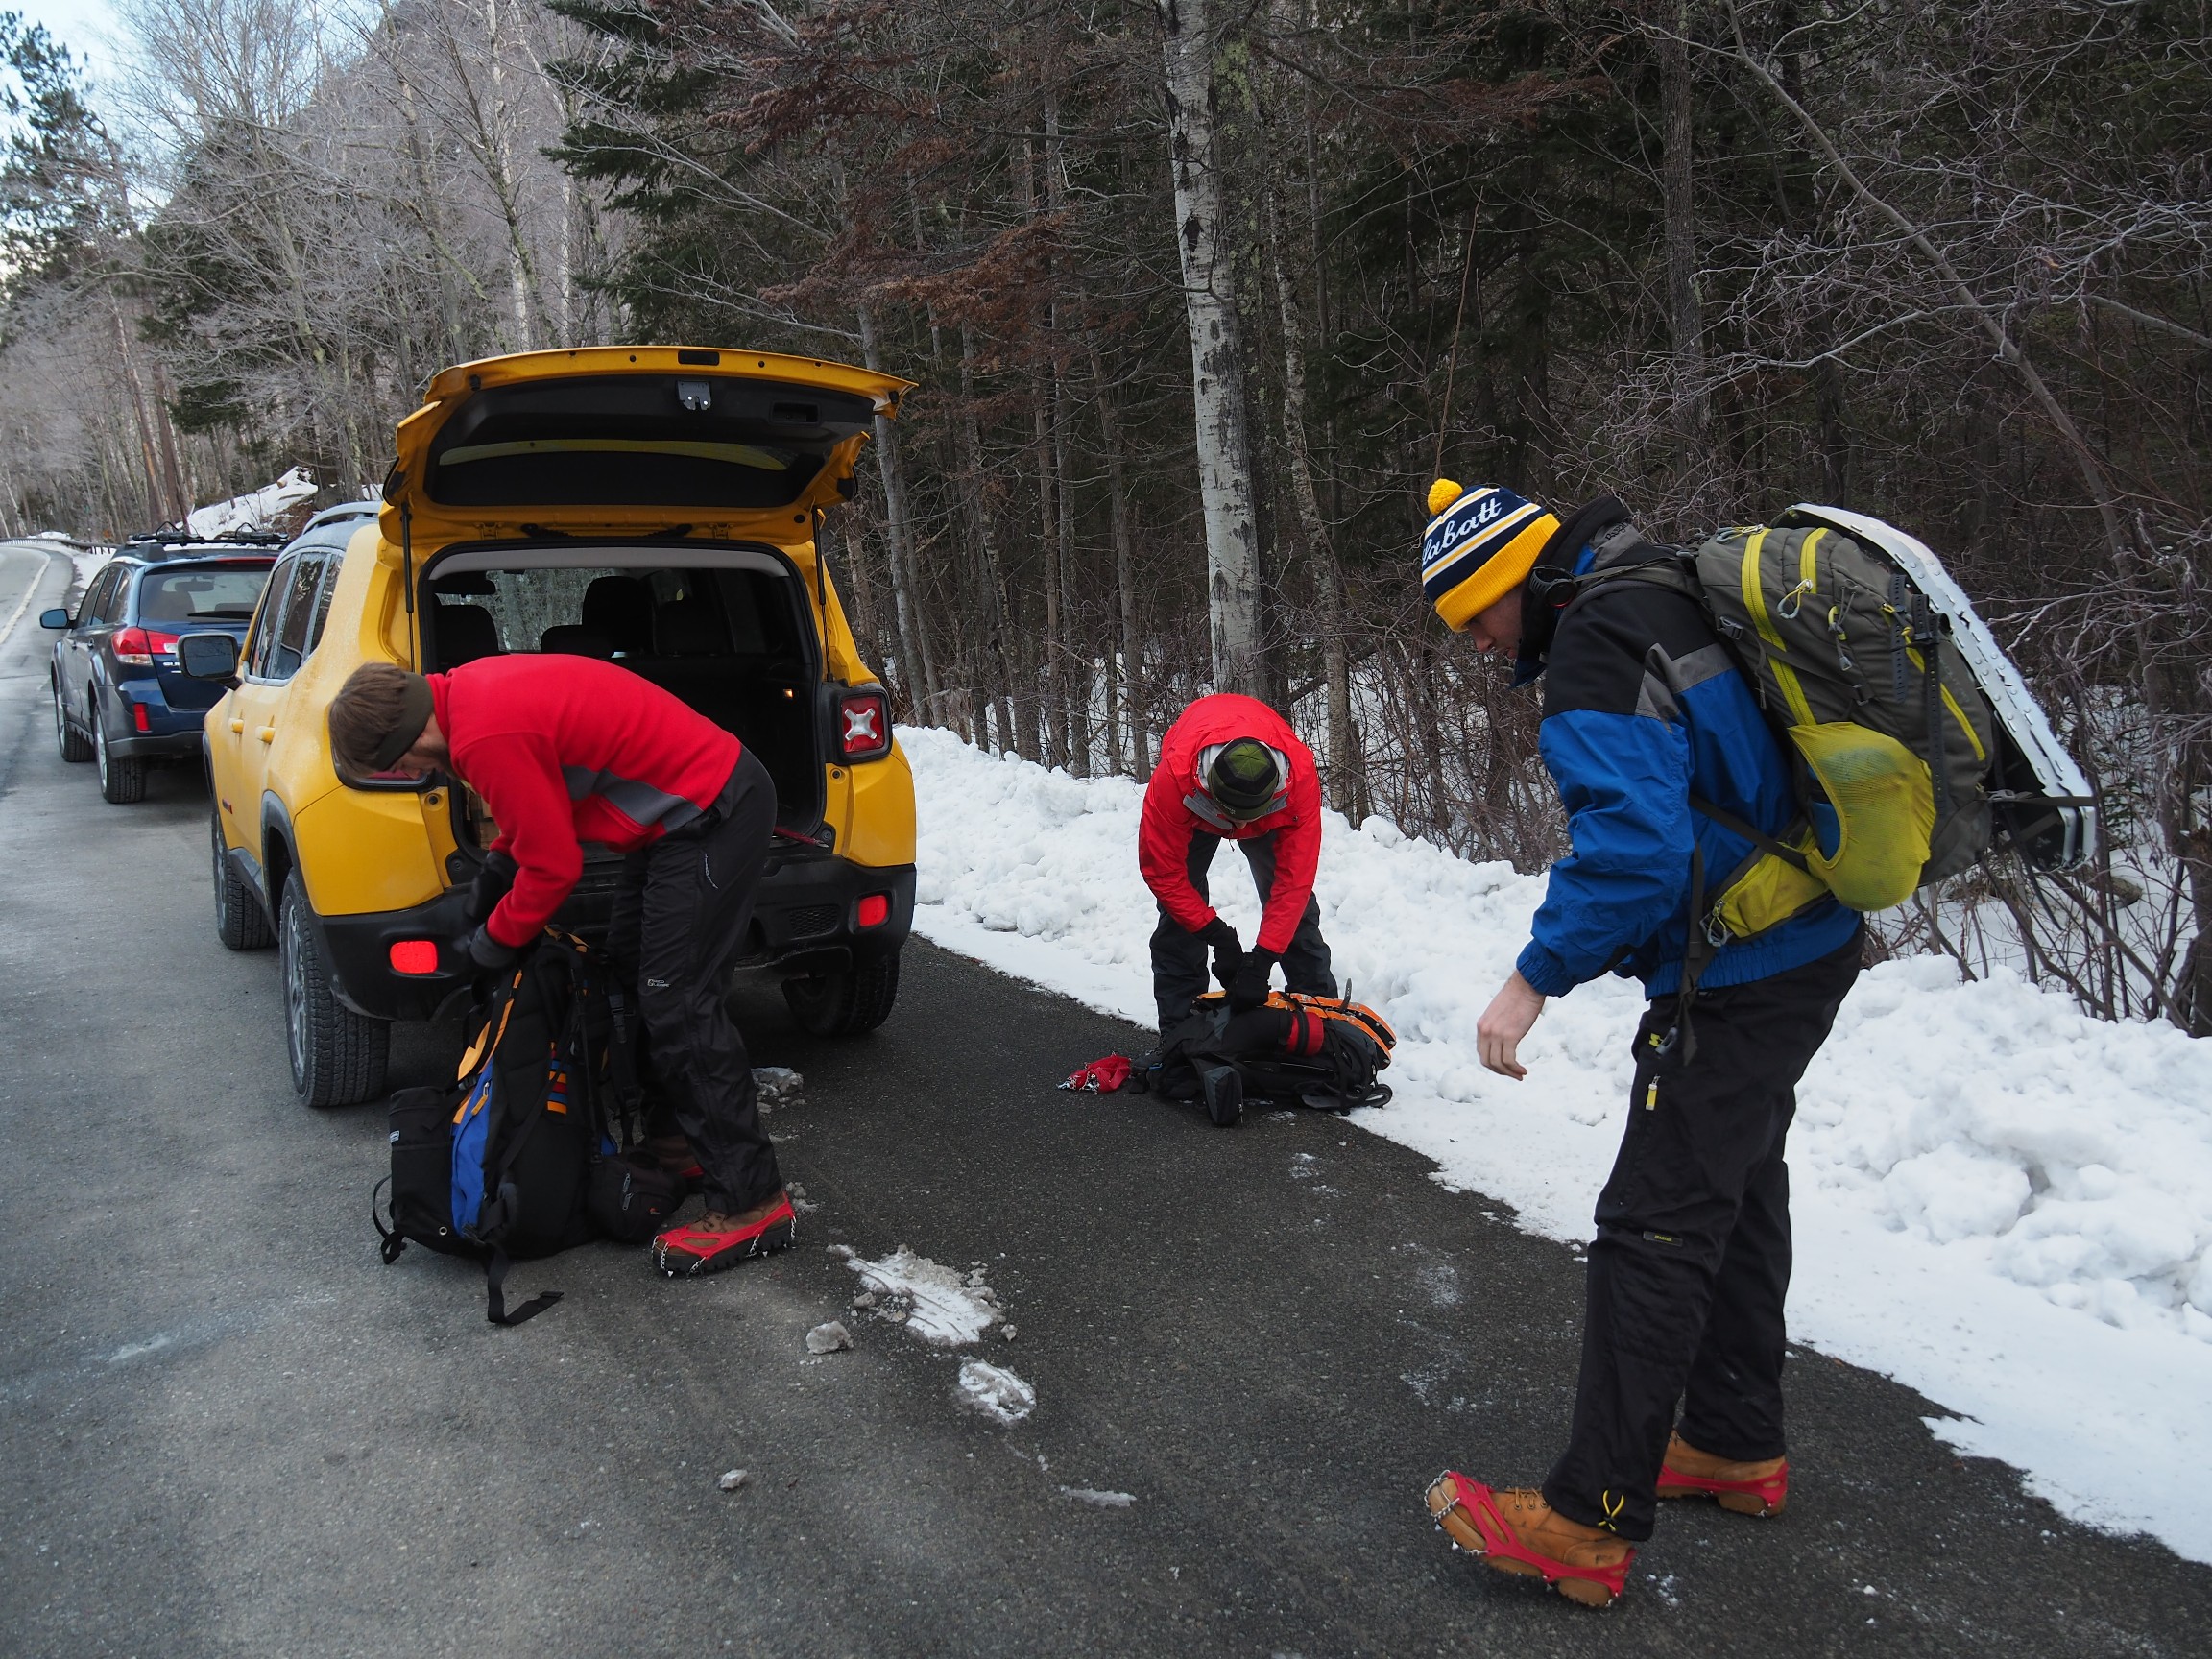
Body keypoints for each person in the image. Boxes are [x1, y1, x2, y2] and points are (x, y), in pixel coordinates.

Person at [1412, 481, 1864, 1609]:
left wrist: (1532, 979)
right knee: (1736, 1187)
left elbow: (1633, 854)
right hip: (1805, 932)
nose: (1481, 644)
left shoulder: (1597, 645)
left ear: (1515, 583)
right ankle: (1731, 1441)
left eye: (1476, 617)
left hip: (1744, 964)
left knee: (1651, 1228)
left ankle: (1586, 1520)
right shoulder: (1660, 588)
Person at [326, 656, 793, 1279]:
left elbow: (553, 867)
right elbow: (536, 809)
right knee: (631, 973)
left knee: (678, 1002)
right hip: (670, 824)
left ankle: (752, 1201)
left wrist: (493, 940)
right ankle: (681, 1143)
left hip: (713, 808)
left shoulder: (484, 733)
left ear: (402, 742)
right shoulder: (463, 705)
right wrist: (495, 876)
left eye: (395, 767)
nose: (409, 776)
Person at [1139, 692, 1337, 1032]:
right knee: (1178, 918)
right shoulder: (1175, 777)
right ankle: (1180, 1033)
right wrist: (1216, 935)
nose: (1241, 829)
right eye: (1233, 818)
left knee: (1298, 916)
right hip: (1196, 807)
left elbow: (1293, 884)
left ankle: (1322, 1025)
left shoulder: (1299, 779)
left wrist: (1263, 959)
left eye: (1248, 818)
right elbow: (1164, 874)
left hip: (1273, 813)